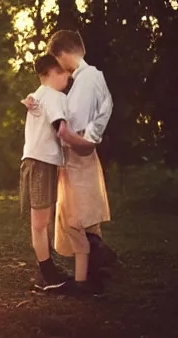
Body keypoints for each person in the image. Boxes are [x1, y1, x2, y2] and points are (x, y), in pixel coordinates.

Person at [48, 29, 116, 289]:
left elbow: (74, 124)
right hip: (82, 154)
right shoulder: (94, 77)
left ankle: (87, 276)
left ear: (62, 54)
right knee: (84, 216)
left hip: (77, 156)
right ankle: (93, 276)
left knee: (76, 217)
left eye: (57, 59)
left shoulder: (86, 80)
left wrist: (60, 128)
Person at [20, 53, 91, 292]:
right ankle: (49, 272)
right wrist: (82, 145)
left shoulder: (38, 94)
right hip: (42, 162)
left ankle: (48, 268)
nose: (68, 77)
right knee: (41, 222)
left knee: (39, 223)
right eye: (64, 72)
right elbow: (61, 129)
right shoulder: (54, 96)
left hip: (34, 160)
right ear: (50, 73)